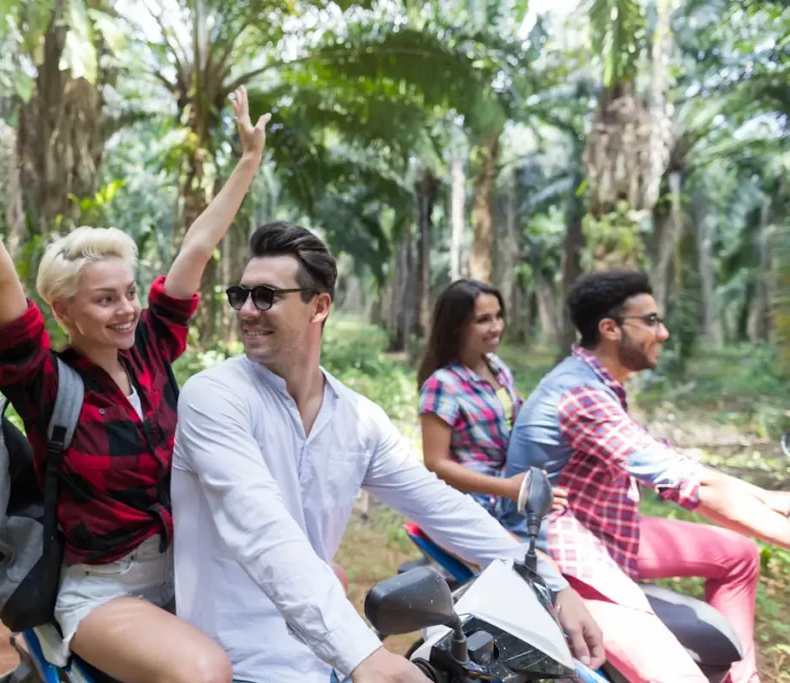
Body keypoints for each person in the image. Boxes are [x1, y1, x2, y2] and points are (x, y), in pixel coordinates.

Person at [0, 42, 273, 683]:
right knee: (204, 671)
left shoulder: (151, 349)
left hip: (193, 573)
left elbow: (199, 244)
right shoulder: (45, 381)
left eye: (130, 293)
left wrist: (247, 164)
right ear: (65, 312)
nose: (126, 309)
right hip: (103, 593)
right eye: (104, 299)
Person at [170, 222, 605, 683]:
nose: (247, 311)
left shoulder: (357, 418)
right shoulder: (214, 397)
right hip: (236, 663)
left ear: (318, 306)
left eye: (266, 296)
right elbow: (263, 532)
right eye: (241, 295)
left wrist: (552, 583)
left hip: (326, 660)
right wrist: (363, 655)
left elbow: (442, 507)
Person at [501, 269, 790, 683]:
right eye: (651, 321)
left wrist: (764, 496)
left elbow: (682, 466)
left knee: (739, 555)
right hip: (563, 548)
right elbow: (691, 486)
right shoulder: (579, 395)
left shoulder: (596, 382)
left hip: (600, 523)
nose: (664, 332)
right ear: (610, 329)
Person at [417, 279, 548, 512]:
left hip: (514, 494)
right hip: (473, 505)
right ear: (457, 326)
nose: (496, 327)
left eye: (498, 316)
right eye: (483, 320)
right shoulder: (442, 385)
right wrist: (505, 487)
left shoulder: (496, 366)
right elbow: (436, 463)